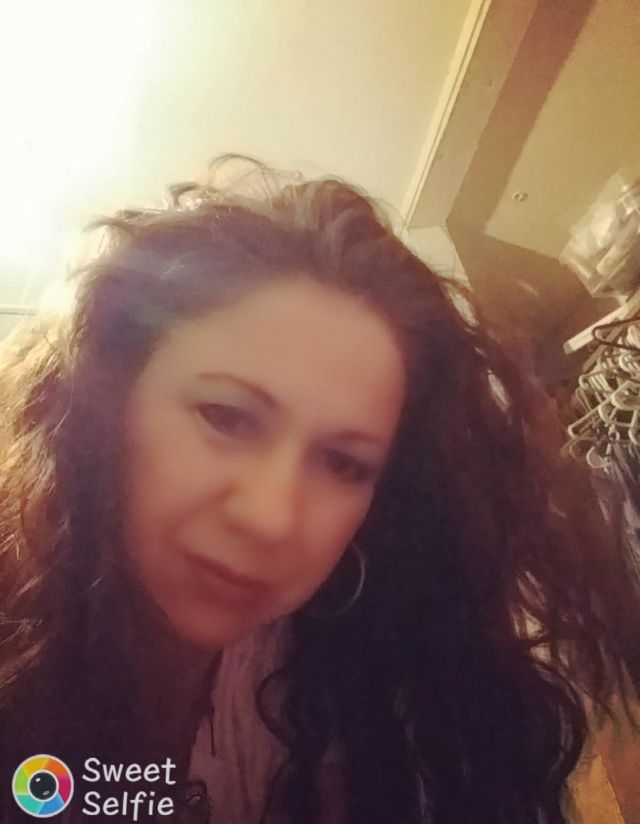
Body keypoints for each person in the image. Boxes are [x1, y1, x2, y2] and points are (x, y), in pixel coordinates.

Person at [0, 154, 639, 824]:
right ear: (105, 409)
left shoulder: (362, 697)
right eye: (226, 417)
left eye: (343, 464)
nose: (272, 517)